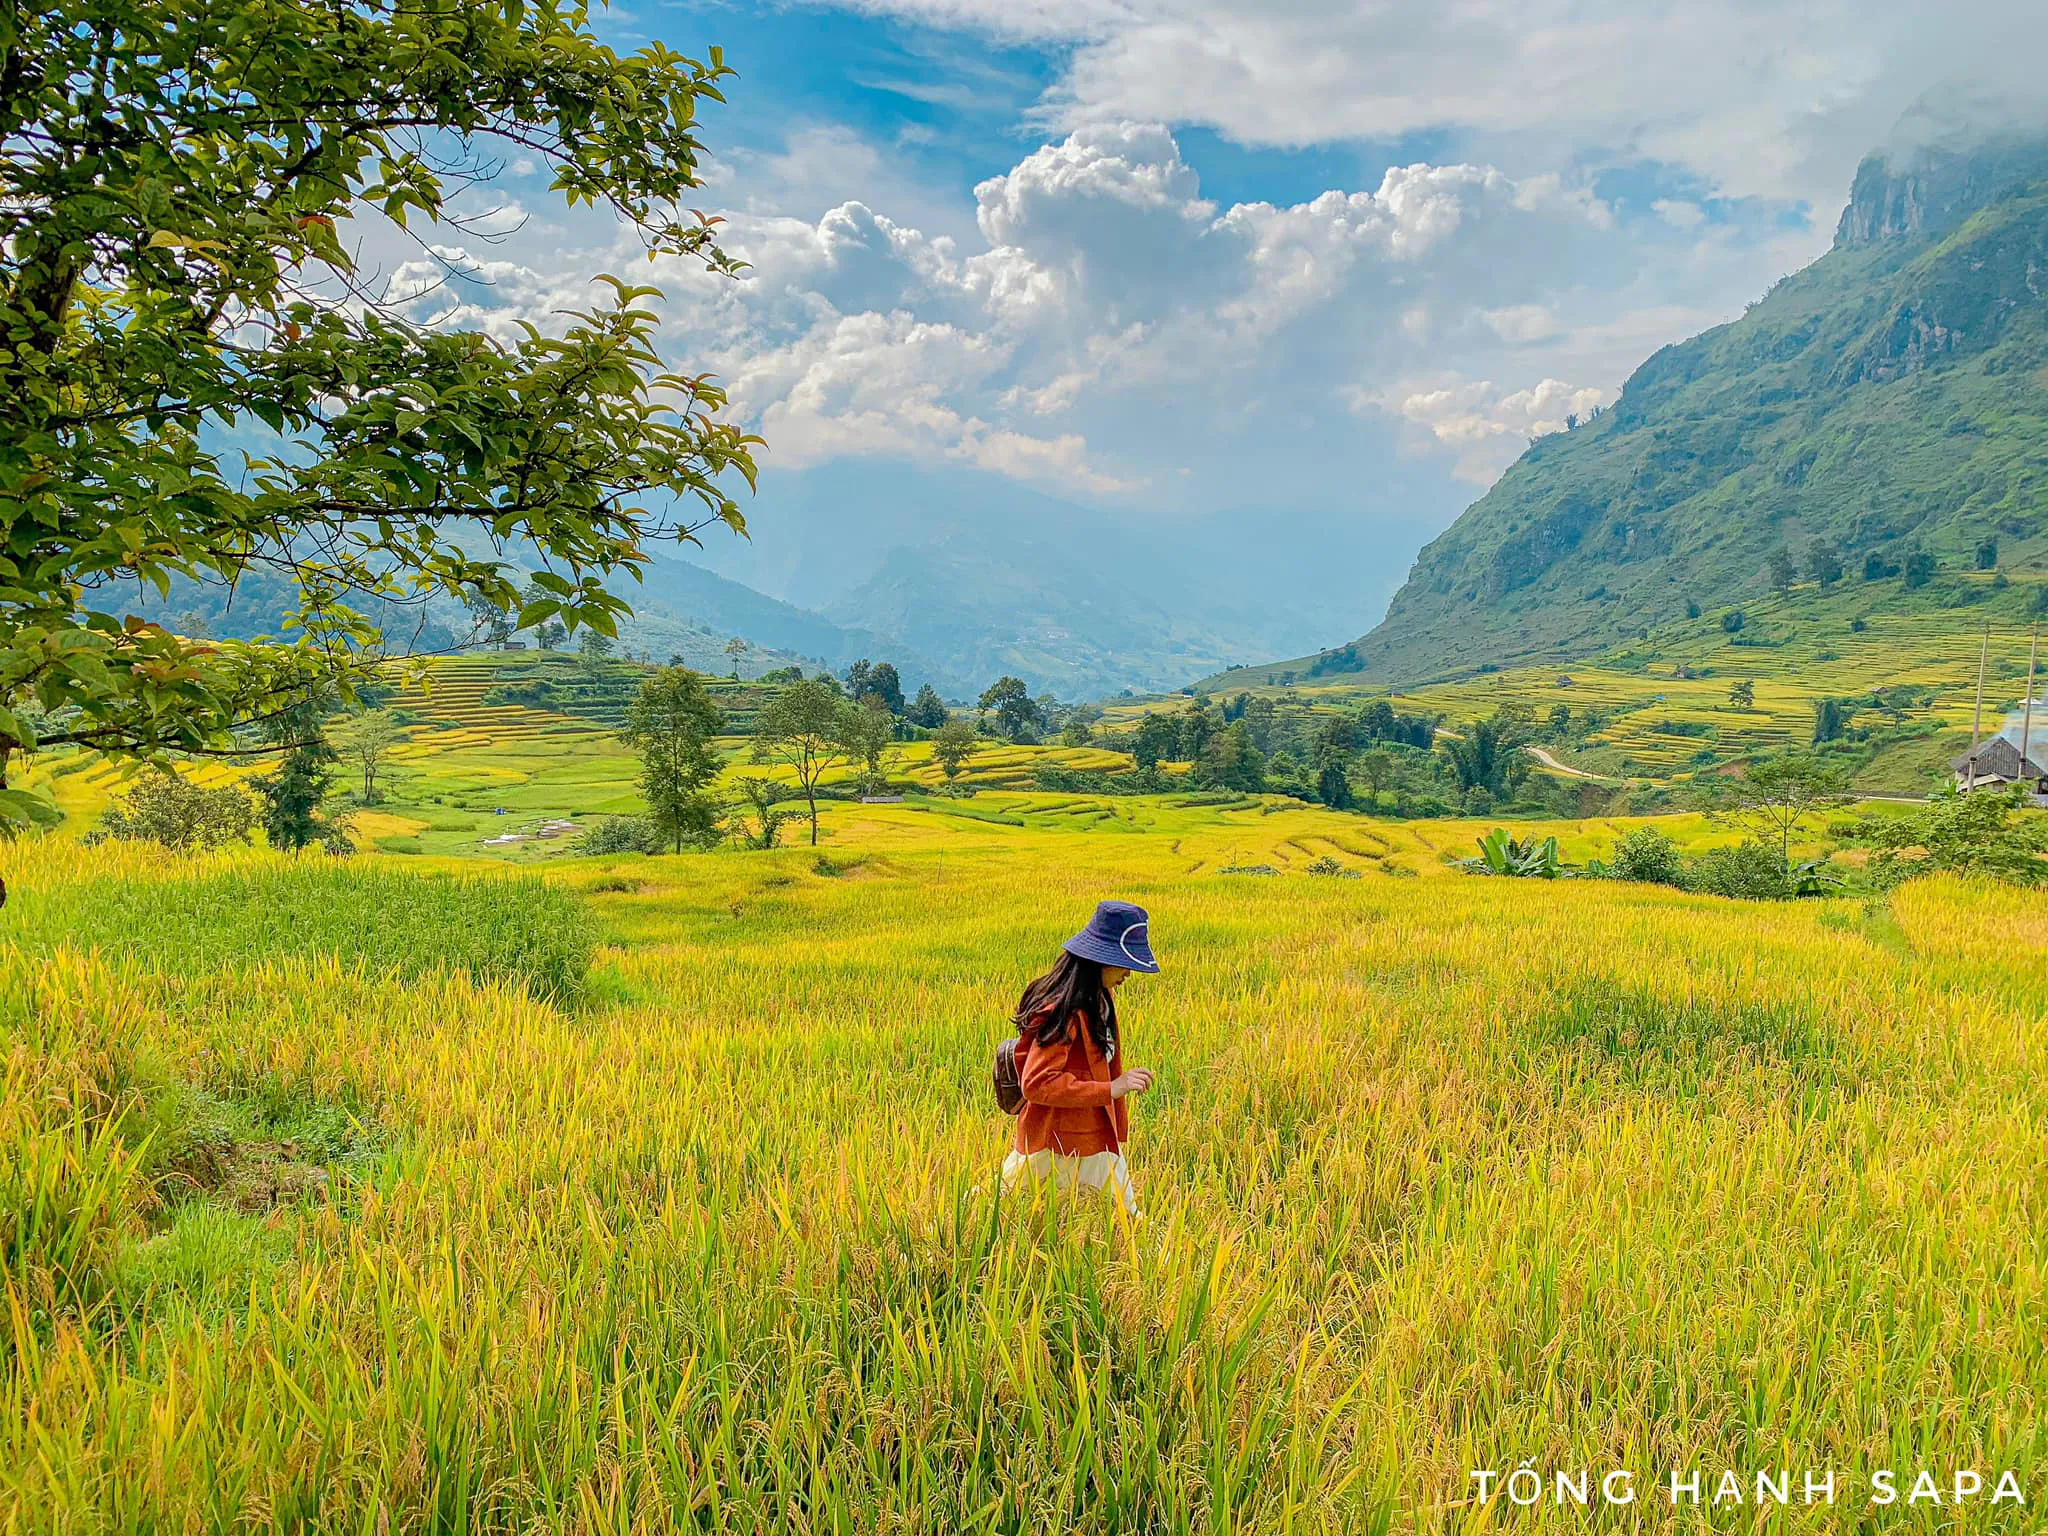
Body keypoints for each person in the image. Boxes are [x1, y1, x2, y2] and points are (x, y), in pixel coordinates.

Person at [1002, 899, 1158, 1217]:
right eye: (1123, 963)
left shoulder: (1099, 998)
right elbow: (1037, 1083)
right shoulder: (1064, 1010)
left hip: (1089, 1134)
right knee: (1125, 1223)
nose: (1129, 973)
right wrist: (1112, 1088)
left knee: (1025, 1214)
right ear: (1099, 959)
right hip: (1061, 1140)